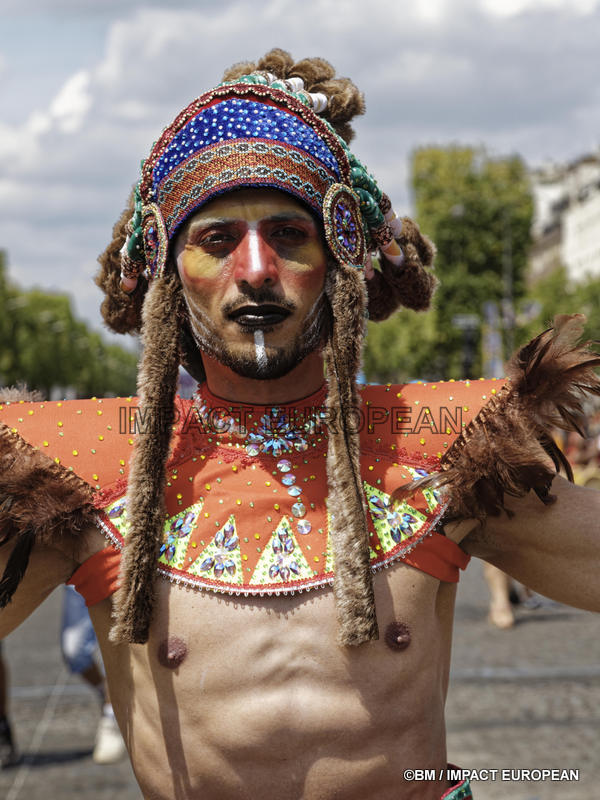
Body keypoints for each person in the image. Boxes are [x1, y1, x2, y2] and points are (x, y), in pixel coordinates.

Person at [0, 50, 599, 800]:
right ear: (166, 268)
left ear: (341, 257)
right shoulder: (79, 474)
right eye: (217, 240)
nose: (256, 268)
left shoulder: (443, 452)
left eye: (289, 235)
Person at [60, 585, 126, 764]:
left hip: (114, 572)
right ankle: (109, 696)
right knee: (73, 651)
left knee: (115, 646)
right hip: (76, 579)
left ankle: (111, 715)